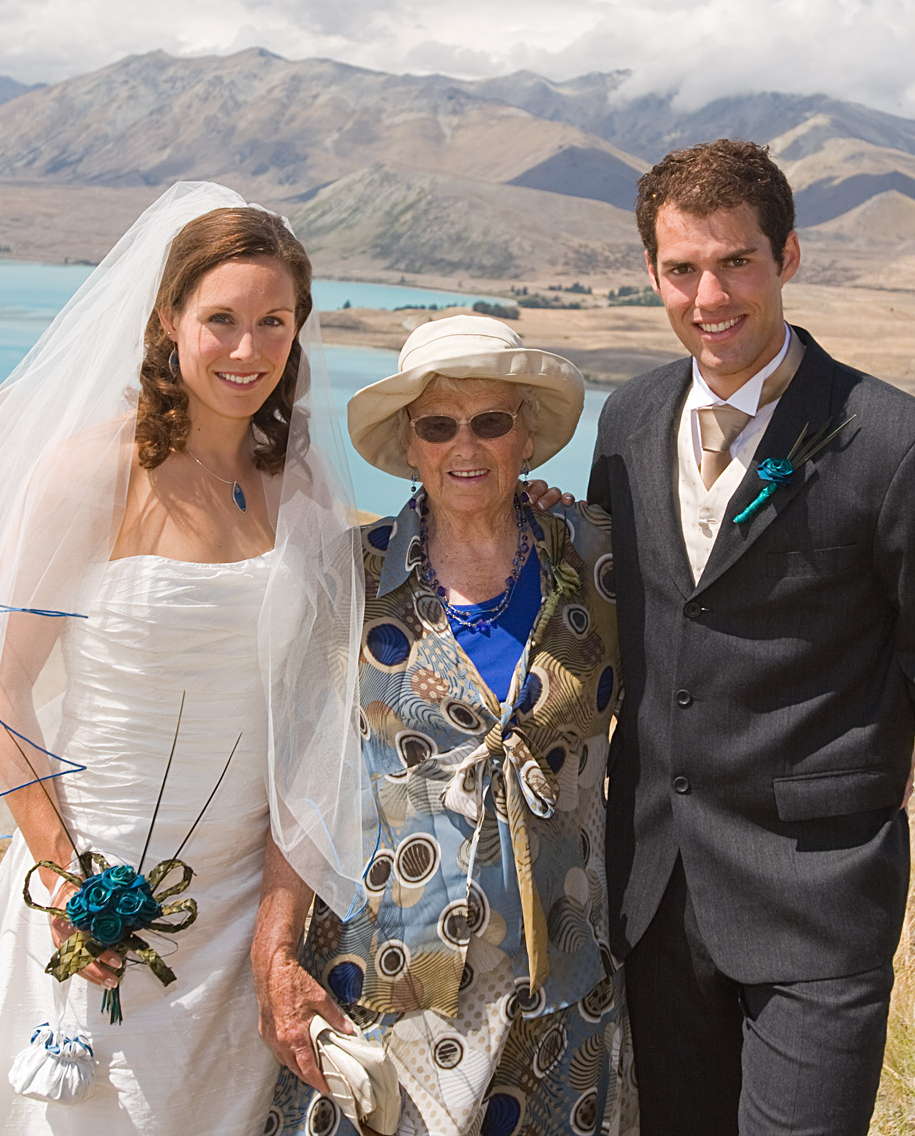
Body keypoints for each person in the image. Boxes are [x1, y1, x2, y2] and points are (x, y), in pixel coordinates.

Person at [0, 182, 371, 1135]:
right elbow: (2, 686)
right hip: (103, 881)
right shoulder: (94, 470)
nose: (248, 349)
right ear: (168, 319)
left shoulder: (295, 476)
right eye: (221, 320)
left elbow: (315, 708)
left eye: (274, 321)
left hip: (244, 902)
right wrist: (67, 880)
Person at [586, 140, 915, 1135]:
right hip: (652, 890)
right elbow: (632, 615)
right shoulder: (629, 417)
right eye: (682, 269)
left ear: (787, 256)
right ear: (652, 272)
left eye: (736, 262)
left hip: (818, 894)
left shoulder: (904, 445)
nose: (710, 296)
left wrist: (852, 733)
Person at [253, 315, 637, 1136]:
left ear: (526, 437)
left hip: (559, 985)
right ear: (409, 443)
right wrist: (275, 950)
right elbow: (304, 780)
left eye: (490, 421)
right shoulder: (352, 575)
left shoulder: (599, 556)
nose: (466, 445)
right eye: (438, 425)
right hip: (390, 980)